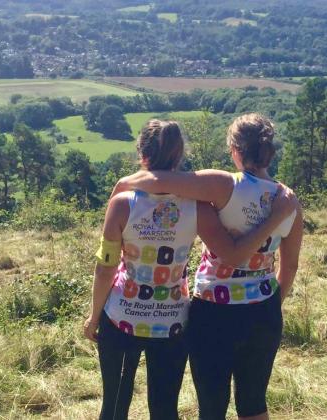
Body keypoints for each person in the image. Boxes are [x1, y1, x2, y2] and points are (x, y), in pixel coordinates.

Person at [84, 119, 297, 420]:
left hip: (136, 316)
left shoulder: (124, 202)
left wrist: (94, 316)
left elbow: (106, 266)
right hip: (179, 320)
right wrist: (268, 304)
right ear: (180, 154)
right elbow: (262, 260)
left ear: (141, 152)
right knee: (177, 408)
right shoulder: (209, 207)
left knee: (119, 407)